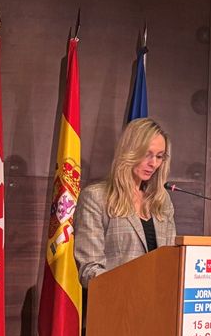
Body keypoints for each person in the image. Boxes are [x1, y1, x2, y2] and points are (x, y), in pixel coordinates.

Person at [74, 117, 176, 287]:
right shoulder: (96, 197)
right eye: (147, 154)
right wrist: (131, 288)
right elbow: (89, 269)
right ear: (130, 151)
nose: (153, 164)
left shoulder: (161, 200)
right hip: (118, 305)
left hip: (160, 305)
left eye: (159, 157)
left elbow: (172, 261)